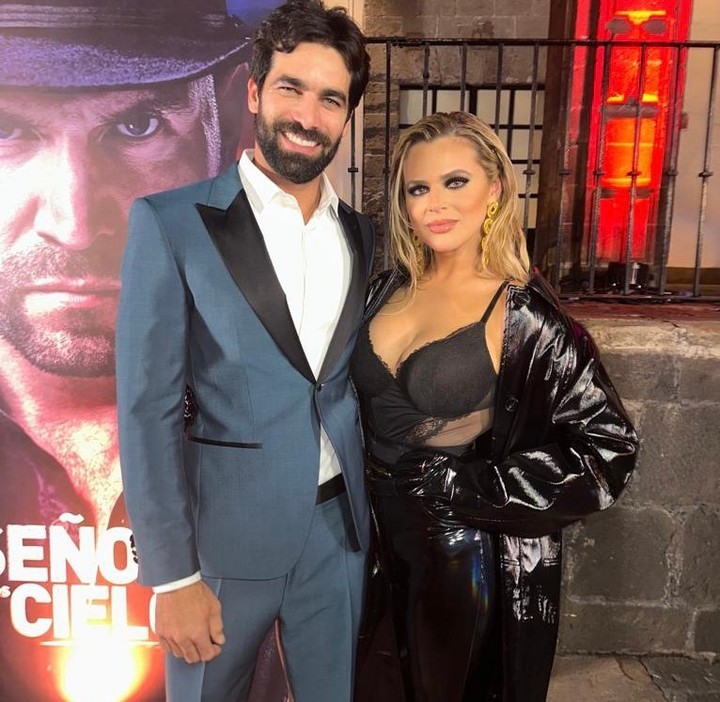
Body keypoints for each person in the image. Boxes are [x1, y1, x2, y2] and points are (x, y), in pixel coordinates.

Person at [0, 2, 285, 700]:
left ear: (222, 137)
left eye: (137, 126)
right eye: (7, 130)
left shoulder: (269, 409)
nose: (74, 222)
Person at [116, 1, 373, 701]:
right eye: (292, 88)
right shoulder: (171, 222)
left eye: (331, 99)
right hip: (222, 544)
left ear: (345, 116)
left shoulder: (360, 233)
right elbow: (146, 409)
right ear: (255, 92)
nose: (308, 116)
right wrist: (172, 576)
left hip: (339, 533)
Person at [351, 111, 638, 702]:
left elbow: (609, 447)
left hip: (456, 550)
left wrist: (469, 486)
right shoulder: (383, 290)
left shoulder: (521, 314)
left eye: (455, 182)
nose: (435, 203)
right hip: (365, 540)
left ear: (495, 190)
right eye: (418, 188)